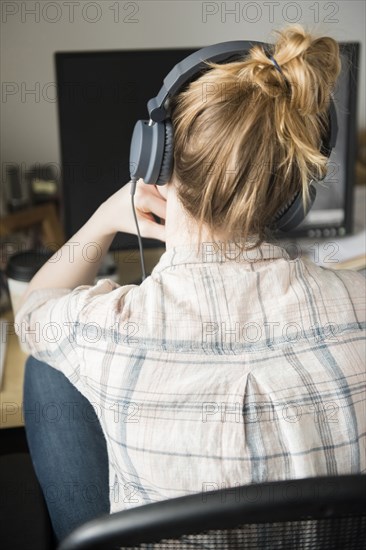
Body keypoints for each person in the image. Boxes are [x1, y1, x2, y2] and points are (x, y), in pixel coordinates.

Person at [16, 24, 365, 542]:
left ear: (152, 160)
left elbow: (32, 311)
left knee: (44, 375)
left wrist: (102, 221)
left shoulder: (106, 331)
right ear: (294, 197)